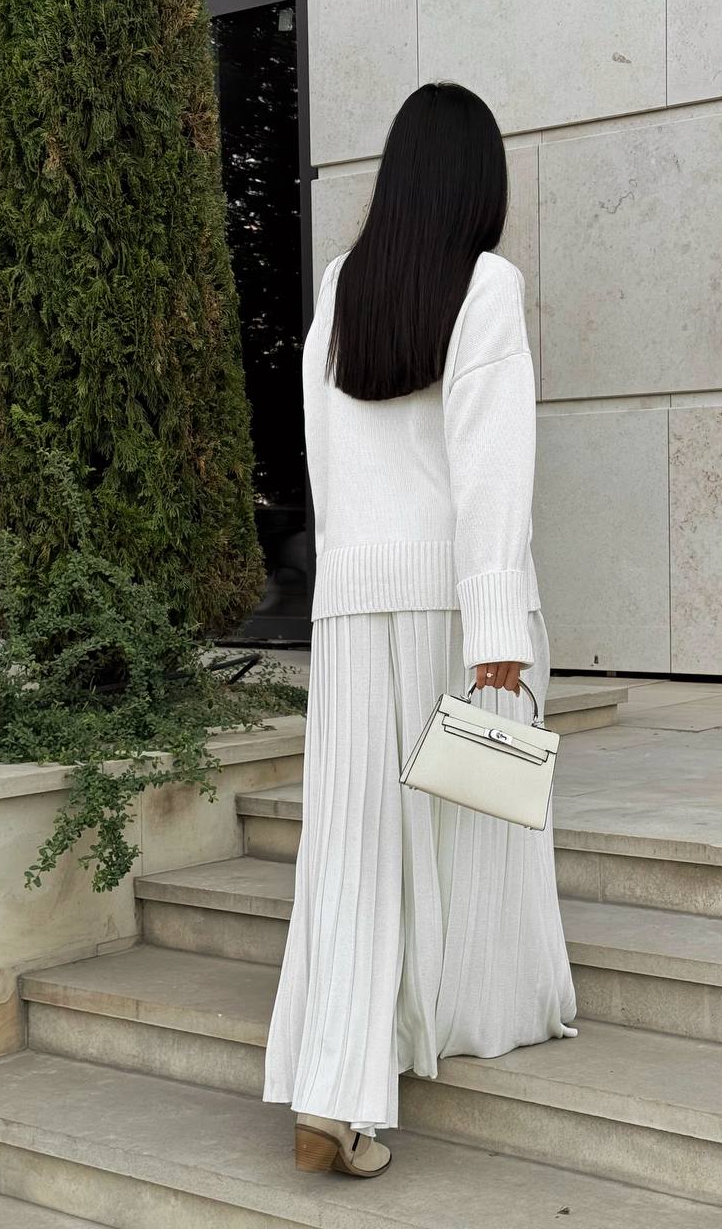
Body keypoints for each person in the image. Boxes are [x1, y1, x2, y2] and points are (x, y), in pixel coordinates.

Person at [261, 80, 578, 1178]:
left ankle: (340, 1079)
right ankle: (418, 1042)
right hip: (455, 598)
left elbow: (321, 458)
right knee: (476, 811)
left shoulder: (343, 287)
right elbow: (492, 468)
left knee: (353, 843)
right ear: (475, 183)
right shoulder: (486, 285)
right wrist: (497, 619)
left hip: (355, 601)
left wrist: (339, 583)